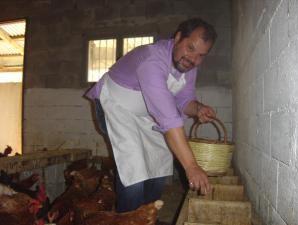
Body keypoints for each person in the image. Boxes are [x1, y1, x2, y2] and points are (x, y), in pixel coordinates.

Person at [86, 17, 217, 213]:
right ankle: (128, 217)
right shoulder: (152, 60)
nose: (193, 60)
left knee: (158, 168)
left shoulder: (189, 69)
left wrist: (197, 108)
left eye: (201, 55)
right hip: (116, 107)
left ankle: (145, 216)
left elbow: (184, 100)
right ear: (178, 37)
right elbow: (168, 117)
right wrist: (192, 167)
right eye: (190, 48)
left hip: (146, 114)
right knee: (134, 173)